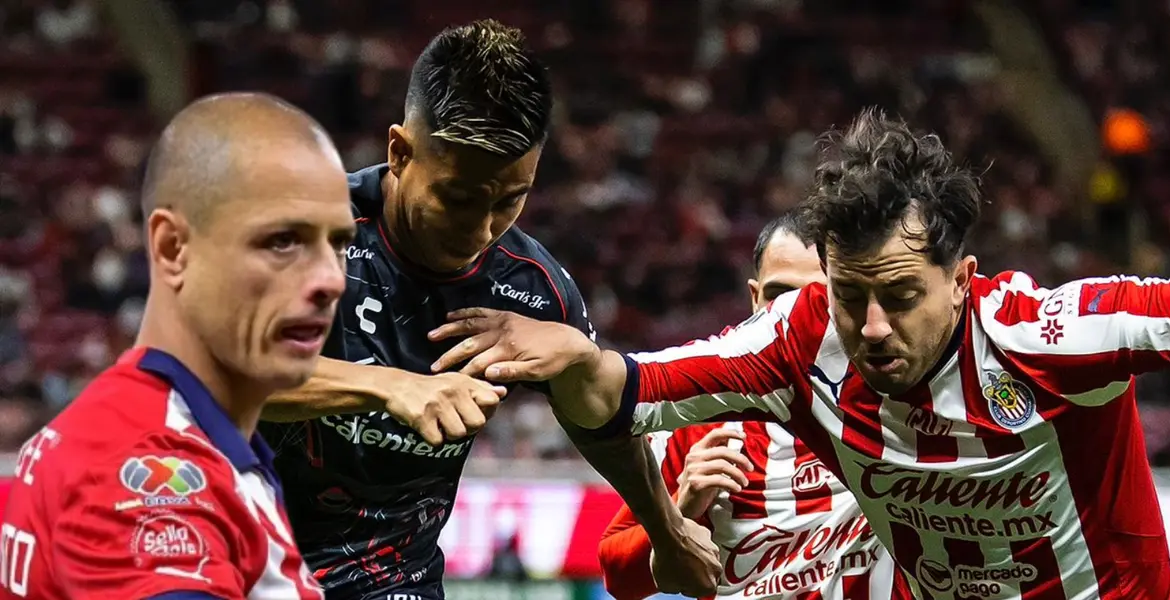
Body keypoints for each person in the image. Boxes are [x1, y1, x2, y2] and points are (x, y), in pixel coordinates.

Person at [428, 108, 1170, 599]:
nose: (874, 327)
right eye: (852, 296)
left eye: (901, 296)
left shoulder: (1051, 334)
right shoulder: (797, 339)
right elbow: (618, 390)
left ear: (961, 282)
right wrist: (571, 357)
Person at [258, 19, 717, 600]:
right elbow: (219, 376)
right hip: (245, 558)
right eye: (457, 198)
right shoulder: (306, 231)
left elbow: (600, 425)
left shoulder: (536, 290)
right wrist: (390, 389)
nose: (481, 230)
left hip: (392, 581)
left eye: (510, 200)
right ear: (400, 152)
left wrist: (667, 531)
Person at [0, 92, 356, 599]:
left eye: (339, 243)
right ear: (172, 248)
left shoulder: (175, 435)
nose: (331, 279)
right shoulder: (144, 478)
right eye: (282, 241)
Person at [598, 214, 898, 600]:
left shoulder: (895, 398)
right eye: (778, 295)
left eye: (815, 298)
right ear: (754, 297)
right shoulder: (703, 408)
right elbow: (618, 578)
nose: (792, 314)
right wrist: (679, 510)